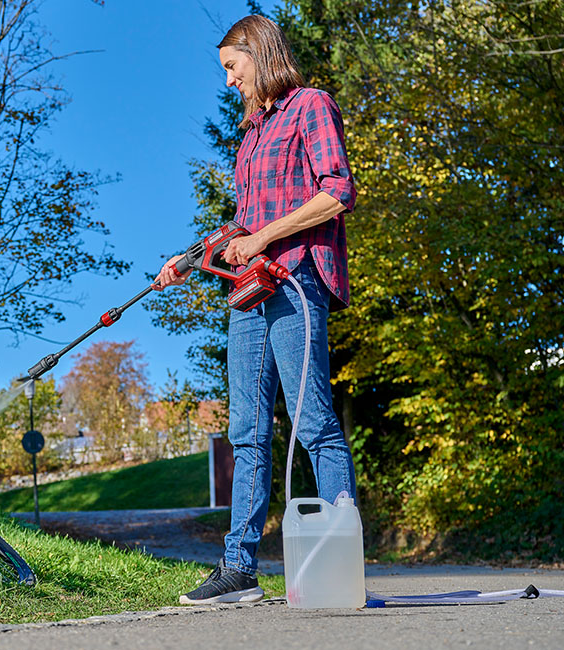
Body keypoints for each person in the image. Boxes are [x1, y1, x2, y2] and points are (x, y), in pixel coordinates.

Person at [154, 15, 358, 604]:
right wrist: (191, 259)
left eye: (231, 67)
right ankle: (239, 567)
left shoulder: (310, 105)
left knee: (313, 420)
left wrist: (267, 235)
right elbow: (242, 224)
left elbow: (337, 191)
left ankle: (339, 554)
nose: (227, 81)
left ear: (259, 54)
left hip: (296, 282)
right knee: (246, 431)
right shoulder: (251, 133)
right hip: (249, 292)